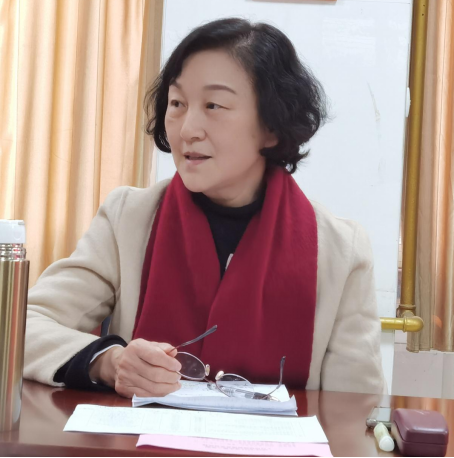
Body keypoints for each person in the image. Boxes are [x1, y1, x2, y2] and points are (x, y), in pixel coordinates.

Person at [24, 18, 385, 398]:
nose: (187, 129)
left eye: (214, 105)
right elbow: (23, 325)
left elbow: (355, 404)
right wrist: (108, 361)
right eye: (177, 103)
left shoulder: (341, 249)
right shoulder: (128, 217)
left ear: (272, 126)